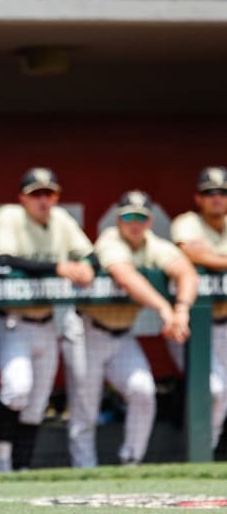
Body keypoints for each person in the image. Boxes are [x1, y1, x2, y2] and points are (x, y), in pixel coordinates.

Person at [63, 190, 198, 467]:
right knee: (85, 407)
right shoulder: (110, 239)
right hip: (88, 330)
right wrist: (164, 309)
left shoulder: (153, 244)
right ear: (118, 219)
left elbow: (187, 271)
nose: (134, 223)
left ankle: (131, 460)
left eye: (140, 217)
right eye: (128, 217)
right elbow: (125, 276)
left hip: (123, 334)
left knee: (143, 391)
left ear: (149, 221)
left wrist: (182, 309)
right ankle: (83, 468)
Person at [0, 168, 95, 472]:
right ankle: (1, 460)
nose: (44, 201)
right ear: (23, 198)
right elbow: (4, 259)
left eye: (49, 194)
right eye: (36, 194)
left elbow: (91, 253)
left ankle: (22, 468)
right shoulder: (10, 216)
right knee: (16, 389)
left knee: (36, 404)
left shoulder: (61, 219)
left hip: (47, 323)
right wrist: (58, 267)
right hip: (13, 322)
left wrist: (86, 264)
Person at [169, 167, 227, 450]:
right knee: (214, 390)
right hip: (192, 326)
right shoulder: (187, 222)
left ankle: (211, 452)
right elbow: (193, 252)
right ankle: (204, 451)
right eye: (209, 193)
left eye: (222, 193)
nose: (216, 198)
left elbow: (207, 255)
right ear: (198, 198)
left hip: (224, 324)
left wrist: (214, 257)